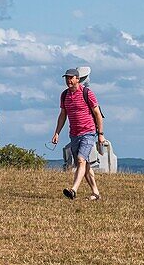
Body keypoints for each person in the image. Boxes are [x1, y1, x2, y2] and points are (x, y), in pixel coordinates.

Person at [51, 67, 103, 201]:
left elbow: (97, 114)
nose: (68, 80)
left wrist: (100, 134)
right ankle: (96, 193)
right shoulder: (64, 95)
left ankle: (73, 190)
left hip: (88, 132)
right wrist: (57, 132)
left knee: (80, 160)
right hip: (74, 133)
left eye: (71, 78)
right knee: (84, 164)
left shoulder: (87, 93)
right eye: (67, 78)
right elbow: (63, 115)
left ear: (77, 79)